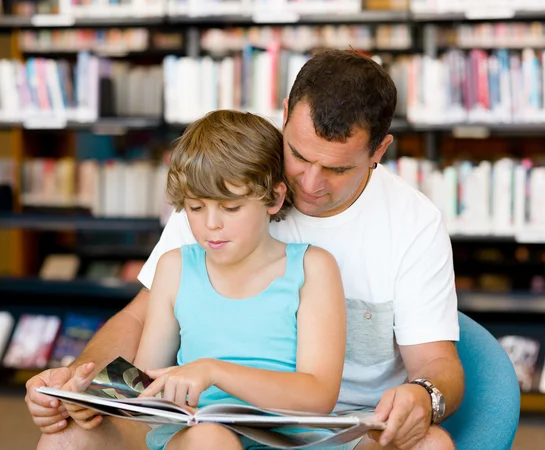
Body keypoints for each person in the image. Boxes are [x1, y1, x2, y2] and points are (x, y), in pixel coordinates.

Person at [27, 49, 464, 450]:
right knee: (68, 436)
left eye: (337, 168)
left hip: (333, 424)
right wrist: (80, 383)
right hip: (201, 421)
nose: (310, 184)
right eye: (298, 154)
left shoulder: (409, 223)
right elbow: (143, 320)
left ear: (379, 151)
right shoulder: (228, 182)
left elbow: (435, 362)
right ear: (286, 115)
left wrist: (423, 397)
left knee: (432, 445)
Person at [63, 110, 347, 450]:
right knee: (209, 438)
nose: (211, 224)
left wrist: (214, 371)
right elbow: (146, 382)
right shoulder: (175, 268)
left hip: (289, 440)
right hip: (196, 435)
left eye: (230, 207)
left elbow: (318, 397)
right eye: (196, 208)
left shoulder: (312, 267)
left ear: (274, 198)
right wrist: (89, 393)